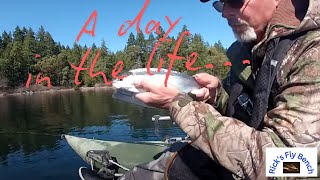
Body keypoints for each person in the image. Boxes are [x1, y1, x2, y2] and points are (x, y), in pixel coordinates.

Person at [80, 0, 320, 179]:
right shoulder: (255, 49)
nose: (225, 12)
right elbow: (253, 112)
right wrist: (217, 98)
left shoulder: (312, 52)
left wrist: (179, 105)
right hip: (248, 161)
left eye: (235, 0)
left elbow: (292, 165)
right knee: (180, 158)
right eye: (220, 4)